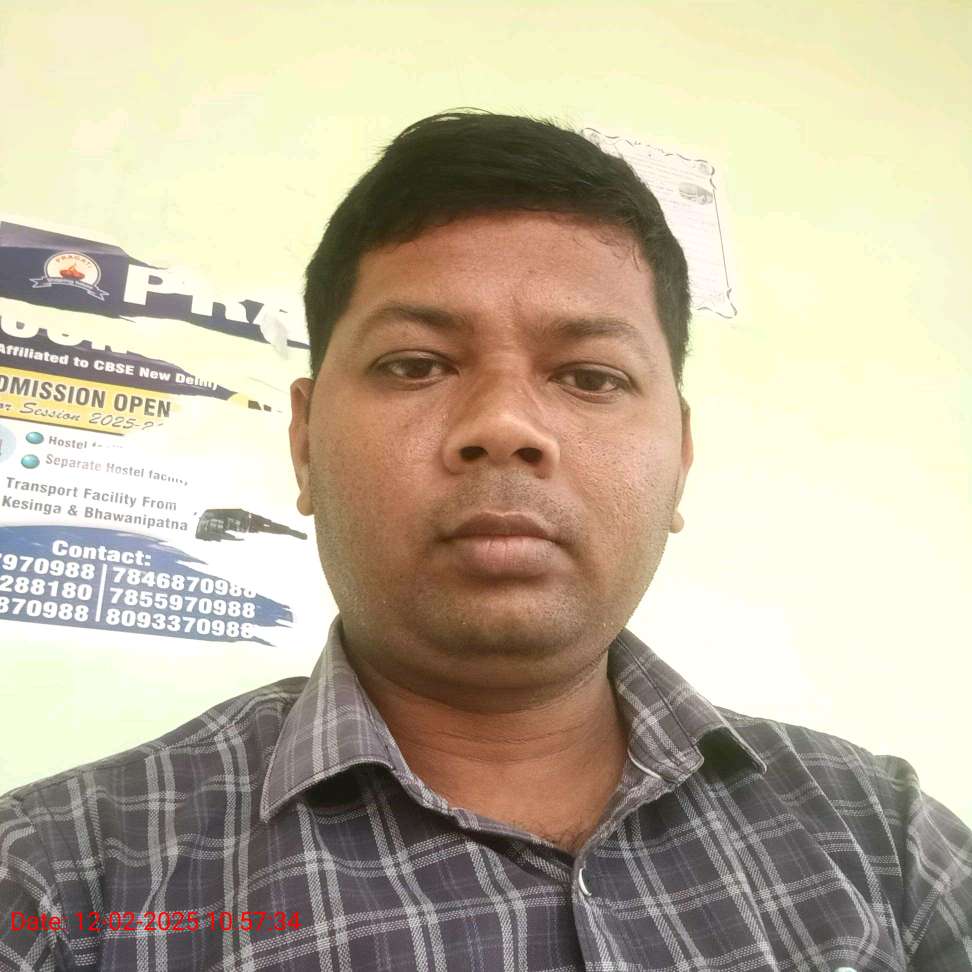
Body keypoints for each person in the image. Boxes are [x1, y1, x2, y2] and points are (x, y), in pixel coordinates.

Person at [1, 110, 969, 972]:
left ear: (680, 457)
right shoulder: (57, 883)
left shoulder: (885, 841)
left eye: (590, 377)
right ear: (304, 443)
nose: (505, 425)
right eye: (415, 365)